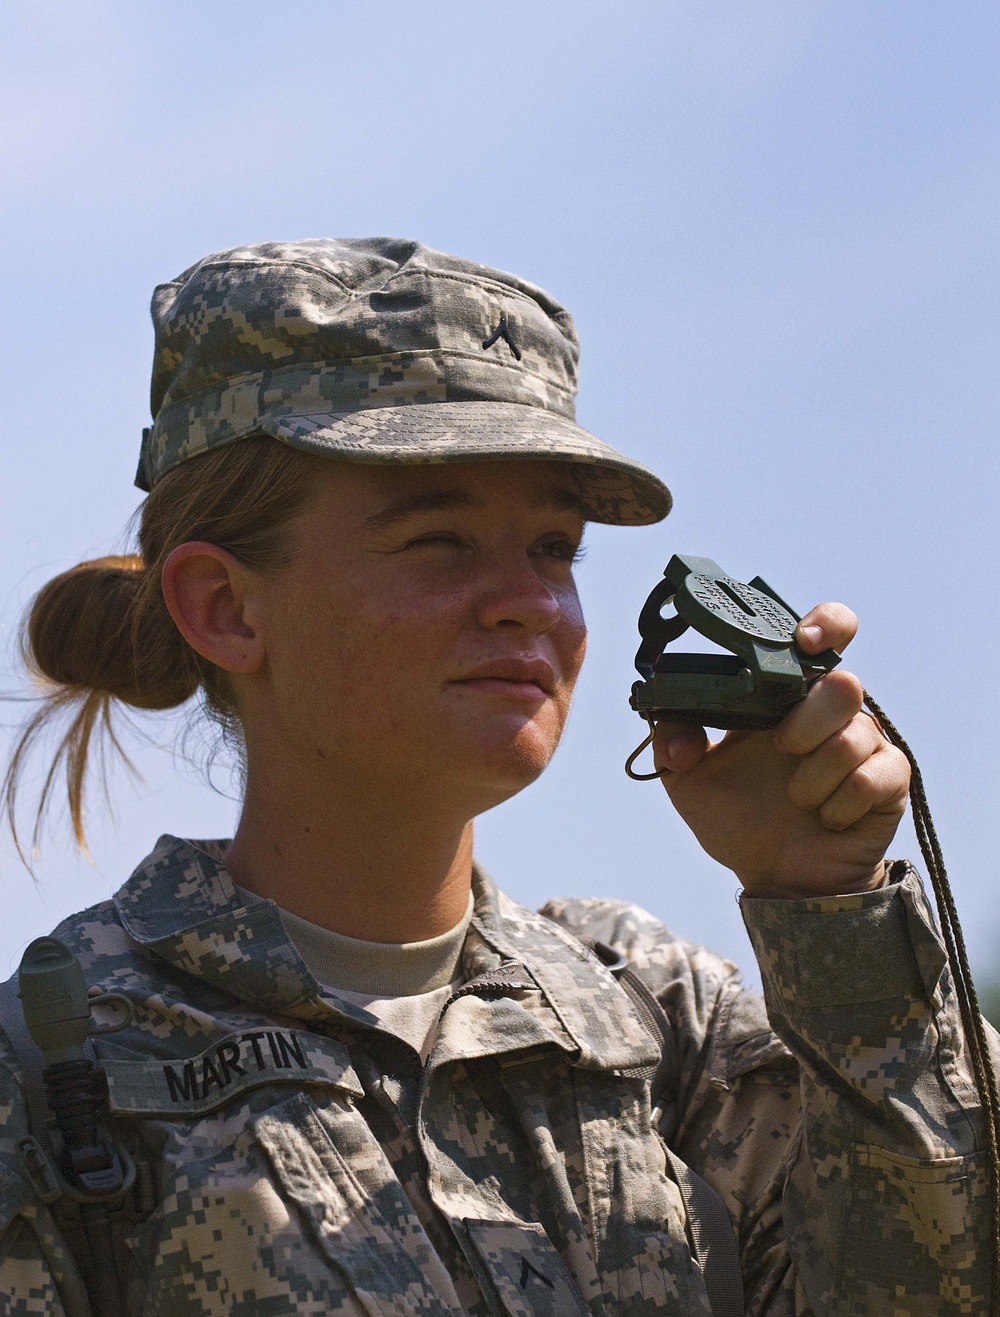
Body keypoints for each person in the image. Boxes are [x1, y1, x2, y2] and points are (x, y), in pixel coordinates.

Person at [0, 237, 986, 1316]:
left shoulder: (653, 1018)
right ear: (228, 609)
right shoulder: (55, 1077)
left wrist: (830, 914)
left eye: (556, 549)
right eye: (440, 541)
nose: (530, 603)